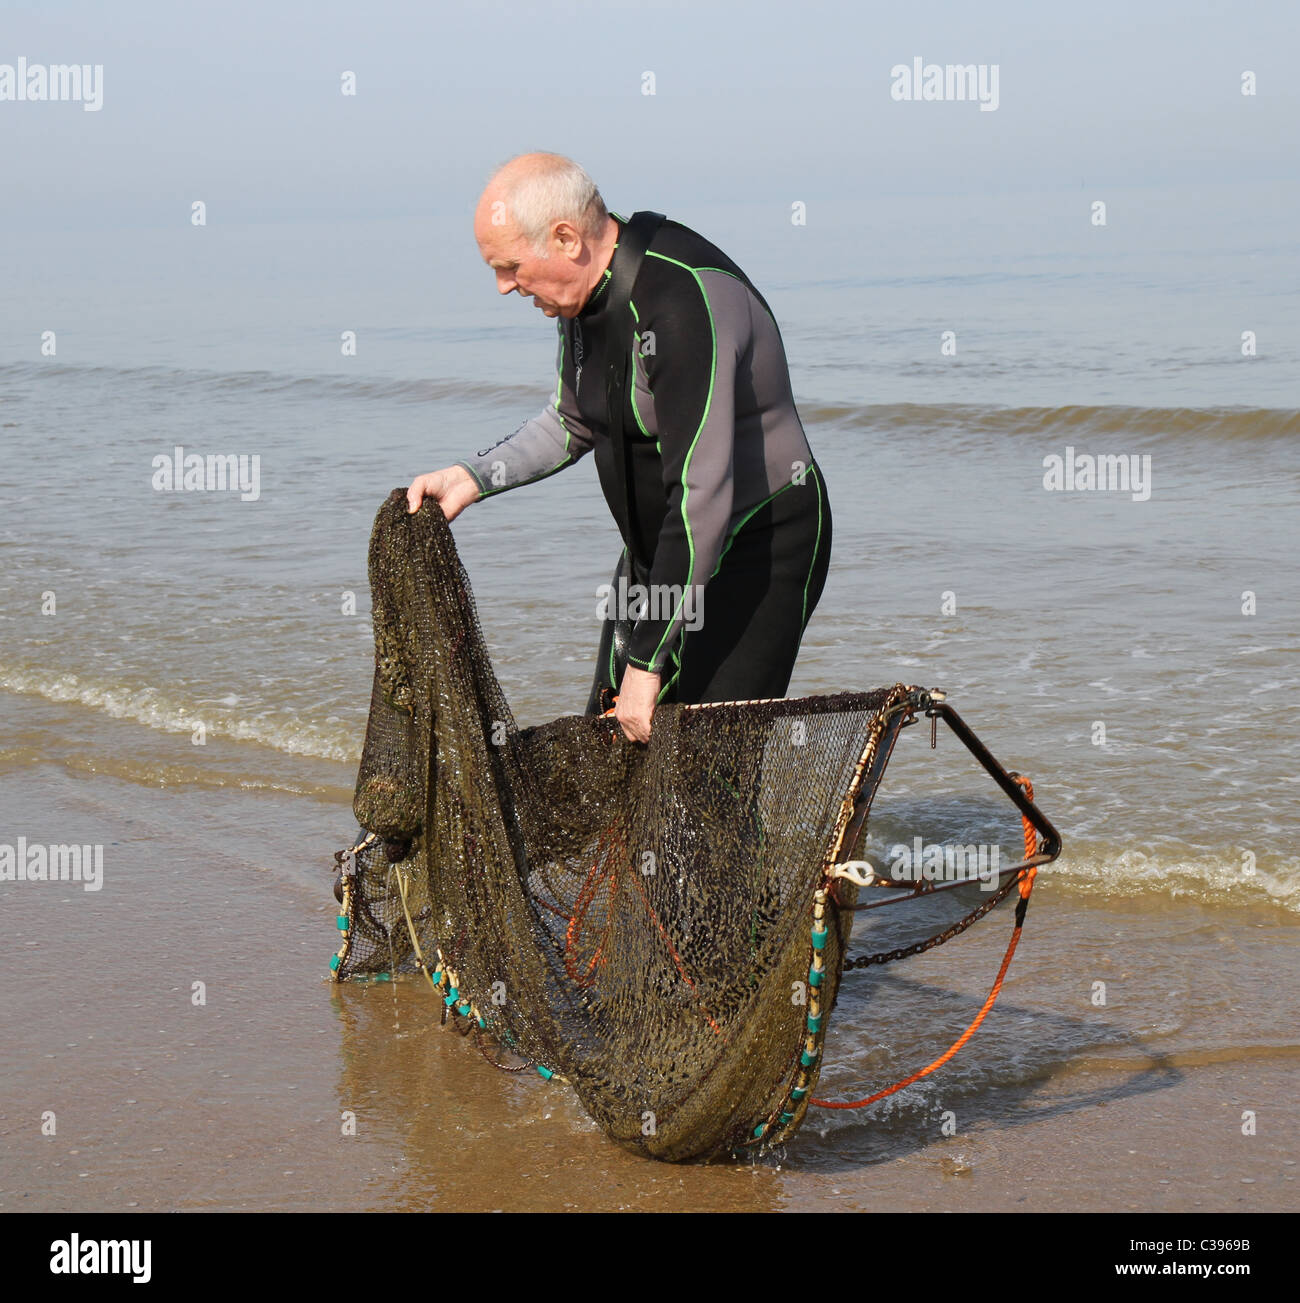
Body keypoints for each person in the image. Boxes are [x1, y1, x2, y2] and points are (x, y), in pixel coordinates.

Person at [407, 153, 831, 743]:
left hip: (757, 544)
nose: (504, 286)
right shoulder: (584, 297)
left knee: (709, 764)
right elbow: (573, 420)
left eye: (509, 266)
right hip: (664, 551)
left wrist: (647, 661)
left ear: (565, 238)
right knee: (612, 741)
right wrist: (473, 477)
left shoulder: (680, 302)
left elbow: (702, 494)